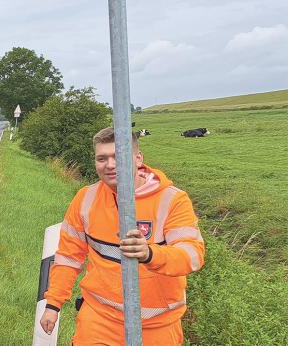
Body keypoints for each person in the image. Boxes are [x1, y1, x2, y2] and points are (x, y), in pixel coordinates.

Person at [39, 127, 205, 344]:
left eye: (118, 157)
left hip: (157, 326)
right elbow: (69, 257)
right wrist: (53, 304)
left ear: (138, 159)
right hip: (99, 319)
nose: (109, 165)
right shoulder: (85, 199)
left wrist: (150, 254)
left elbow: (192, 256)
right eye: (102, 158)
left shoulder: (172, 200)